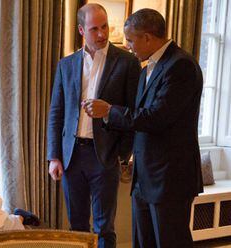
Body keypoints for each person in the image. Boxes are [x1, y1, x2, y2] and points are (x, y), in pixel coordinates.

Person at [83, 8, 204, 248]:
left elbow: (155, 118)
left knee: (170, 243)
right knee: (143, 243)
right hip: (145, 176)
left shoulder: (181, 66)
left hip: (170, 178)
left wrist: (109, 111)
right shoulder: (148, 67)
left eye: (130, 39)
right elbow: (139, 118)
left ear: (147, 37)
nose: (127, 46)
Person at [47, 3, 141, 247]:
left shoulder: (127, 63)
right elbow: (56, 113)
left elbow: (134, 113)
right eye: (94, 29)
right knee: (76, 226)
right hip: (71, 156)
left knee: (104, 227)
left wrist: (123, 155)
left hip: (105, 156)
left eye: (104, 27)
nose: (101, 34)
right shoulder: (65, 65)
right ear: (81, 30)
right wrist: (54, 156)